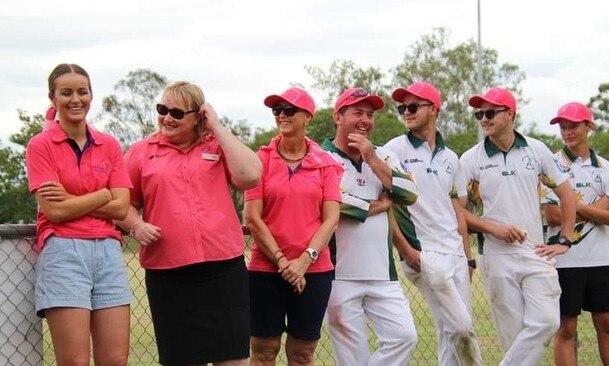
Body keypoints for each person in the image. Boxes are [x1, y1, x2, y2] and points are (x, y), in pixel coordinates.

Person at [116, 81, 262, 366]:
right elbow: (120, 203)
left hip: (223, 272)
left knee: (233, 360)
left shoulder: (216, 146)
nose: (167, 118)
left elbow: (251, 175)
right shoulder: (141, 152)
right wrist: (136, 225)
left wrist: (217, 128)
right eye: (162, 110)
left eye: (177, 113)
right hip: (170, 276)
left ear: (198, 116)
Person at [458, 87, 577, 366]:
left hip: (536, 252)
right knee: (513, 337)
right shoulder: (470, 159)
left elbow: (567, 194)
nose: (483, 119)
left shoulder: (536, 149)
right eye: (479, 114)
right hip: (496, 257)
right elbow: (457, 211)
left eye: (490, 113)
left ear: (510, 114)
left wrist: (565, 239)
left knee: (547, 322)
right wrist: (492, 228)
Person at [25, 63, 132, 366]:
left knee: (115, 360)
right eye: (66, 92)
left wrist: (73, 199)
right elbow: (56, 211)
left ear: (91, 95)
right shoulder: (40, 146)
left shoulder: (109, 144)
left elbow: (122, 208)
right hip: (63, 252)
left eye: (82, 91)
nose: (76, 99)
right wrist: (102, 195)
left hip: (109, 253)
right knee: (74, 361)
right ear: (52, 98)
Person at [243, 87, 342, 366]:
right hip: (266, 268)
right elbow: (252, 218)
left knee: (302, 353)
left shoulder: (326, 163)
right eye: (277, 111)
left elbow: (331, 219)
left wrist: (304, 261)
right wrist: (283, 261)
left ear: (307, 117)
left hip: (314, 270)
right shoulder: (259, 160)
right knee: (263, 350)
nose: (281, 116)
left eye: (289, 110)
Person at [384, 81, 482, 365]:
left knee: (449, 332)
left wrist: (468, 257)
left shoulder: (451, 158)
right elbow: (386, 205)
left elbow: (456, 212)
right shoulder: (394, 149)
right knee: (462, 328)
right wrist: (406, 250)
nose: (406, 112)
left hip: (454, 253)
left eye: (413, 107)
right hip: (424, 253)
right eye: (403, 108)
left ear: (434, 110)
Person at [323, 87, 419, 366]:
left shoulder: (383, 155)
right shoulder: (321, 157)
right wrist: (377, 206)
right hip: (338, 274)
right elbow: (332, 202)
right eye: (357, 113)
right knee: (352, 359)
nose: (365, 120)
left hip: (382, 274)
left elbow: (410, 193)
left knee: (404, 337)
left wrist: (372, 160)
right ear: (338, 117)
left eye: (370, 114)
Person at [542, 102, 609, 366]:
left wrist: (571, 205)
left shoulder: (605, 168)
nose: (567, 132)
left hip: (600, 259)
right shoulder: (552, 165)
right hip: (566, 259)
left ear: (588, 127)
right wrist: (594, 207)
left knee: (608, 324)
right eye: (563, 127)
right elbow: (553, 215)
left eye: (573, 126)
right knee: (566, 328)